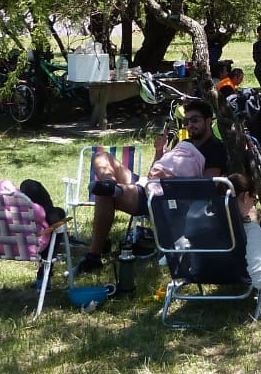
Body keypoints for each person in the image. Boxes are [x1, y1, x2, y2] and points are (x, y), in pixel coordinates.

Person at [77, 98, 230, 274]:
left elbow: (204, 188)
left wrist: (167, 179)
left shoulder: (216, 149)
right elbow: (156, 169)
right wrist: (159, 152)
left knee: (105, 195)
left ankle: (94, 256)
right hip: (150, 183)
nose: (189, 125)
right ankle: (109, 183)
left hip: (166, 197)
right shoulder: (185, 144)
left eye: (195, 120)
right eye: (186, 122)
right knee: (101, 158)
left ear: (209, 121)